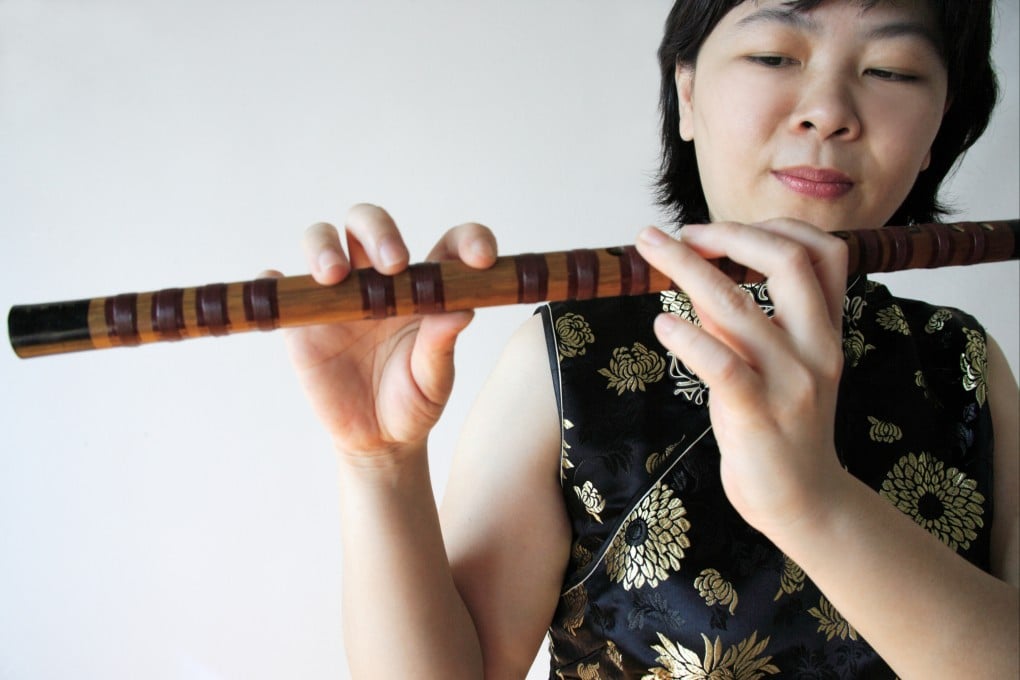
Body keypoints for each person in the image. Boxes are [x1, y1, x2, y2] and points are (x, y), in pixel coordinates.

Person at [267, 1, 1019, 677]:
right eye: (773, 56)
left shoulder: (965, 365)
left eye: (891, 70)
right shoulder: (569, 356)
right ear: (687, 94)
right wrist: (379, 462)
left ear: (940, 126)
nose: (827, 112)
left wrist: (814, 502)